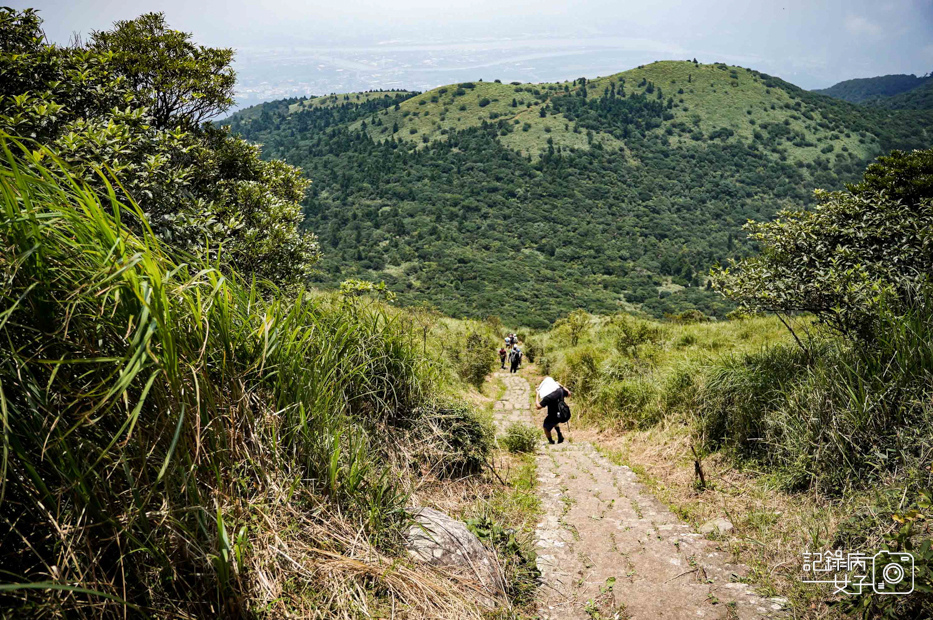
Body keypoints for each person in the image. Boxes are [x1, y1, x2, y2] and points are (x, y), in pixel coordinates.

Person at [536, 376, 571, 445]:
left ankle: (551, 441)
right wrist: (561, 385)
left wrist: (537, 394)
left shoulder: (549, 397)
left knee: (545, 426)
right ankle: (559, 435)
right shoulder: (560, 390)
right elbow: (569, 394)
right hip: (562, 413)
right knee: (554, 421)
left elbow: (538, 406)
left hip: (553, 415)